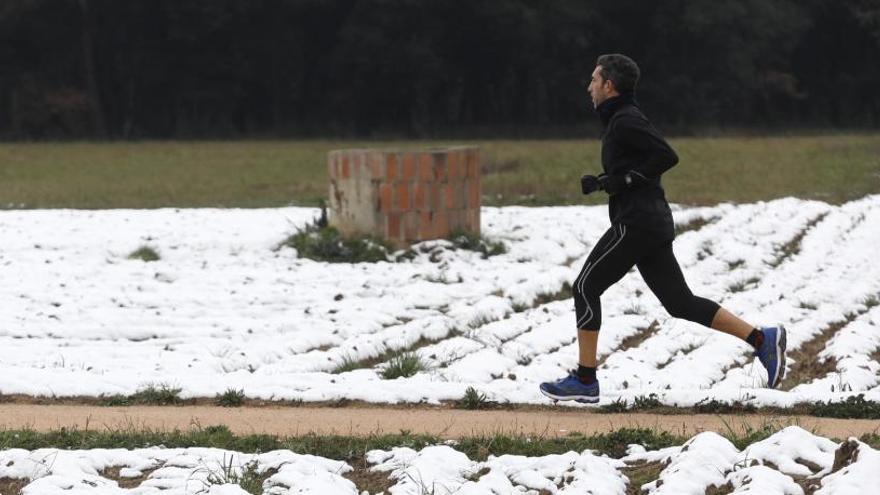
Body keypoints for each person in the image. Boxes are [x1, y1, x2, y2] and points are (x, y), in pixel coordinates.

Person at [539, 53, 786, 404]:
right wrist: (605, 182)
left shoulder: (625, 120)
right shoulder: (620, 119)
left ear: (609, 85)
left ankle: (585, 379)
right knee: (679, 302)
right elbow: (639, 166)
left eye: (594, 80)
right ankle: (762, 340)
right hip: (651, 222)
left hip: (638, 223)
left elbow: (665, 156)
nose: (588, 86)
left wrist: (622, 179)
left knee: (584, 286)